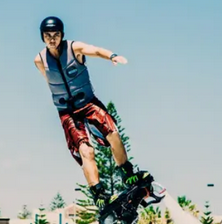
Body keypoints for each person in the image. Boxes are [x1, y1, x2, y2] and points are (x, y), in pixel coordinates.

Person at [34, 16, 151, 212]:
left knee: (113, 133)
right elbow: (51, 81)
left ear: (62, 35)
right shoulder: (39, 60)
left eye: (56, 35)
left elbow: (95, 50)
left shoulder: (75, 48)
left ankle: (127, 173)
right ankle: (98, 194)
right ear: (42, 37)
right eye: (48, 36)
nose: (52, 39)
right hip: (67, 112)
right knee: (85, 151)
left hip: (88, 103)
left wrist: (112, 56)